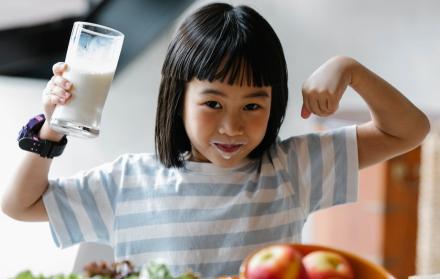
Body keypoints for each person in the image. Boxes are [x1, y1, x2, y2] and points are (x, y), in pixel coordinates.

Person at [1, 2, 430, 278]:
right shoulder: (129, 180)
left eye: (252, 106)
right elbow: (20, 205)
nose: (232, 127)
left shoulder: (293, 168)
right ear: (178, 98)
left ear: (274, 104)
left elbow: (409, 130)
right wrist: (53, 127)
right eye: (213, 104)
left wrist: (348, 68)